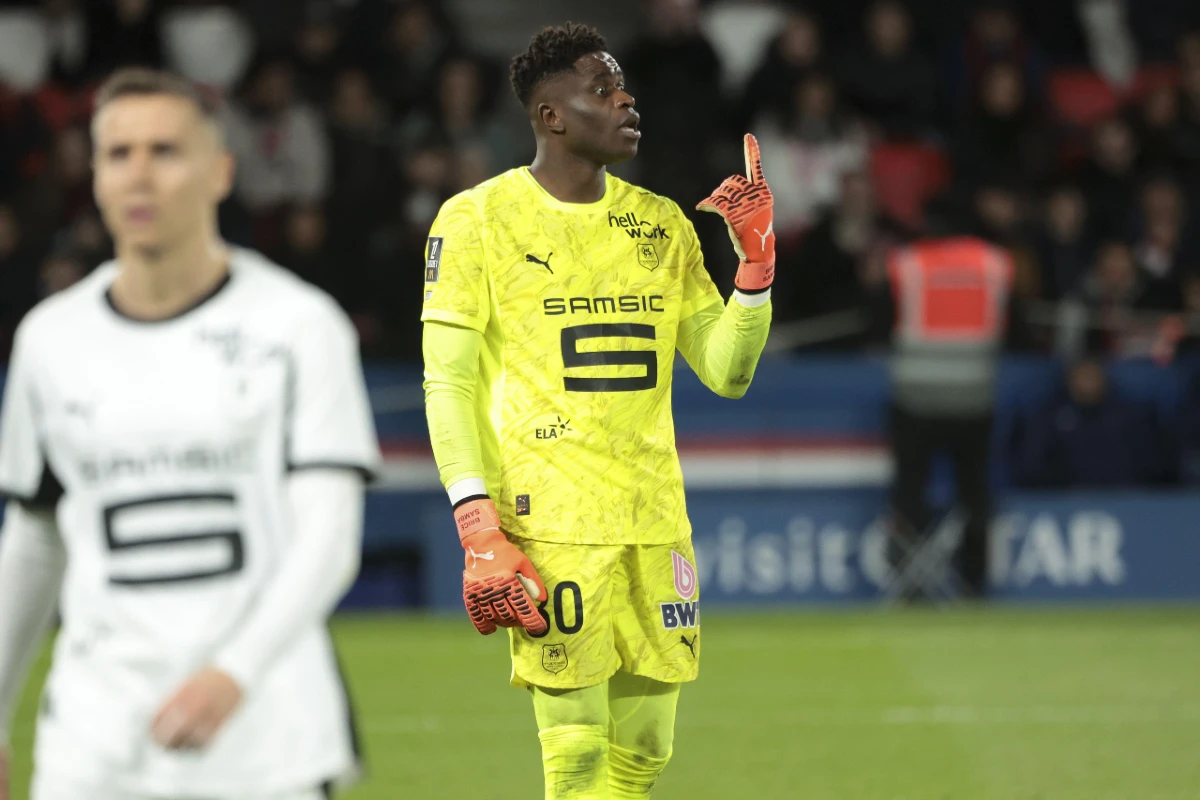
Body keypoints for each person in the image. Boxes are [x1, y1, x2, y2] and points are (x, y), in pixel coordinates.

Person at [0, 68, 379, 800]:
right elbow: (34, 541)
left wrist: (232, 673)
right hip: (93, 745)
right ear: (95, 176)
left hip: (266, 743)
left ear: (220, 171)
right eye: (119, 154)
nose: (140, 175)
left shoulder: (299, 326)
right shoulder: (50, 341)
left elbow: (327, 537)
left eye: (165, 151)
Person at [420, 23, 773, 799]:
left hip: (654, 518)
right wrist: (477, 527)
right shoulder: (478, 220)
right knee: (576, 754)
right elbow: (447, 383)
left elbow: (726, 371)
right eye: (603, 89)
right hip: (549, 522)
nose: (626, 100)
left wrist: (754, 266)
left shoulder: (662, 224)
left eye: (624, 86)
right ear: (551, 115)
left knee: (644, 752)